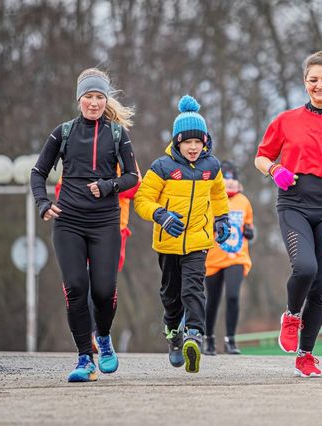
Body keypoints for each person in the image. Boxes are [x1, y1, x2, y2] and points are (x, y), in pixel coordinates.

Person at [254, 50, 322, 378]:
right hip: (294, 203)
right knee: (304, 267)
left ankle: (306, 354)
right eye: (313, 80)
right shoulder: (286, 120)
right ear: (305, 83)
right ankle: (291, 315)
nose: (319, 85)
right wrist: (275, 170)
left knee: (321, 285)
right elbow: (260, 157)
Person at [30, 68, 139, 382]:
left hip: (105, 222)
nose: (94, 103)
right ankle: (84, 359)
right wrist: (43, 204)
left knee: (104, 291)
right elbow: (38, 173)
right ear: (79, 99)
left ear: (106, 100)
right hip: (68, 222)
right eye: (89, 97)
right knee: (76, 288)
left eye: (99, 97)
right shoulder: (62, 132)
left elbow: (133, 177)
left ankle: (103, 337)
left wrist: (107, 186)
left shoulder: (117, 134)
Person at [134, 95, 231, 373]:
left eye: (197, 142)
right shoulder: (162, 167)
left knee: (194, 288)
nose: (192, 147)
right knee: (171, 295)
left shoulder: (211, 167)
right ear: (177, 142)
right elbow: (142, 200)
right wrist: (161, 216)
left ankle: (194, 335)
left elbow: (219, 194)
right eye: (187, 142)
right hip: (168, 241)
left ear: (205, 142)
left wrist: (222, 218)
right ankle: (174, 335)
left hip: (198, 240)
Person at [55, 160, 141, 353]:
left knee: (103, 286)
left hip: (114, 227)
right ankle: (89, 334)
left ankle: (101, 332)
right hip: (79, 226)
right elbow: (61, 189)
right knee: (79, 282)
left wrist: (107, 187)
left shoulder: (122, 151)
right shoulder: (79, 151)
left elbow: (135, 186)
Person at [203, 160, 254, 355]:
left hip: (236, 256)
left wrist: (250, 232)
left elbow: (249, 225)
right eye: (226, 179)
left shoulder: (244, 201)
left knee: (233, 296)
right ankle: (208, 339)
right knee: (212, 300)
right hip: (214, 258)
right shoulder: (211, 199)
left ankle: (230, 340)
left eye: (233, 180)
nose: (230, 183)